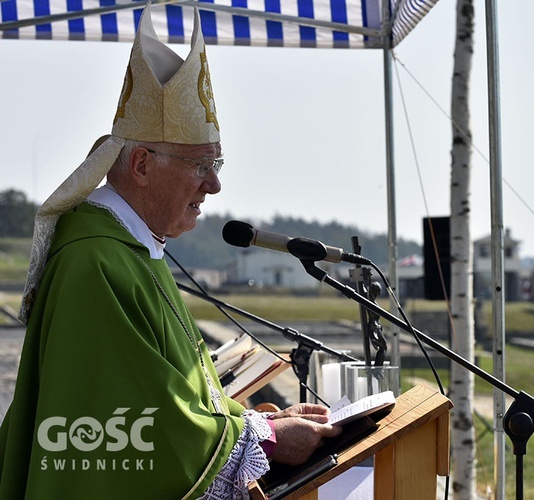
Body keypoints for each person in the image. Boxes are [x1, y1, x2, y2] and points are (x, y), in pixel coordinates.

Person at [0, 5, 340, 498]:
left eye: (217, 164)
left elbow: (174, 395)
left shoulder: (134, 250)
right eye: (201, 165)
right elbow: (138, 430)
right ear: (140, 164)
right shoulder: (95, 262)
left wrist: (245, 418)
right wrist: (264, 439)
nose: (216, 184)